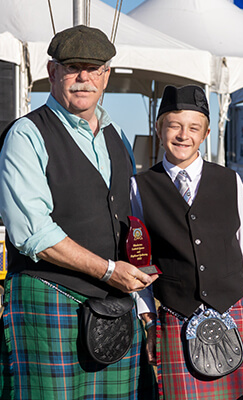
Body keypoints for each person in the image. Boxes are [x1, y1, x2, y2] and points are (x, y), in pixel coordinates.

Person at [0, 25, 158, 400]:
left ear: (107, 75)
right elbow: (32, 233)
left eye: (94, 68)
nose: (83, 78)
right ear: (53, 72)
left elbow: (126, 217)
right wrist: (108, 270)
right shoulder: (26, 134)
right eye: (73, 67)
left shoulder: (117, 134)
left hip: (114, 304)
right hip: (49, 298)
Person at [131, 84, 243, 400]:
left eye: (194, 128)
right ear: (158, 128)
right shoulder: (140, 188)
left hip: (236, 314)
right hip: (176, 319)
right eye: (174, 125)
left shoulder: (229, 181)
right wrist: (149, 321)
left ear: (205, 134)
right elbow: (139, 263)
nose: (183, 135)